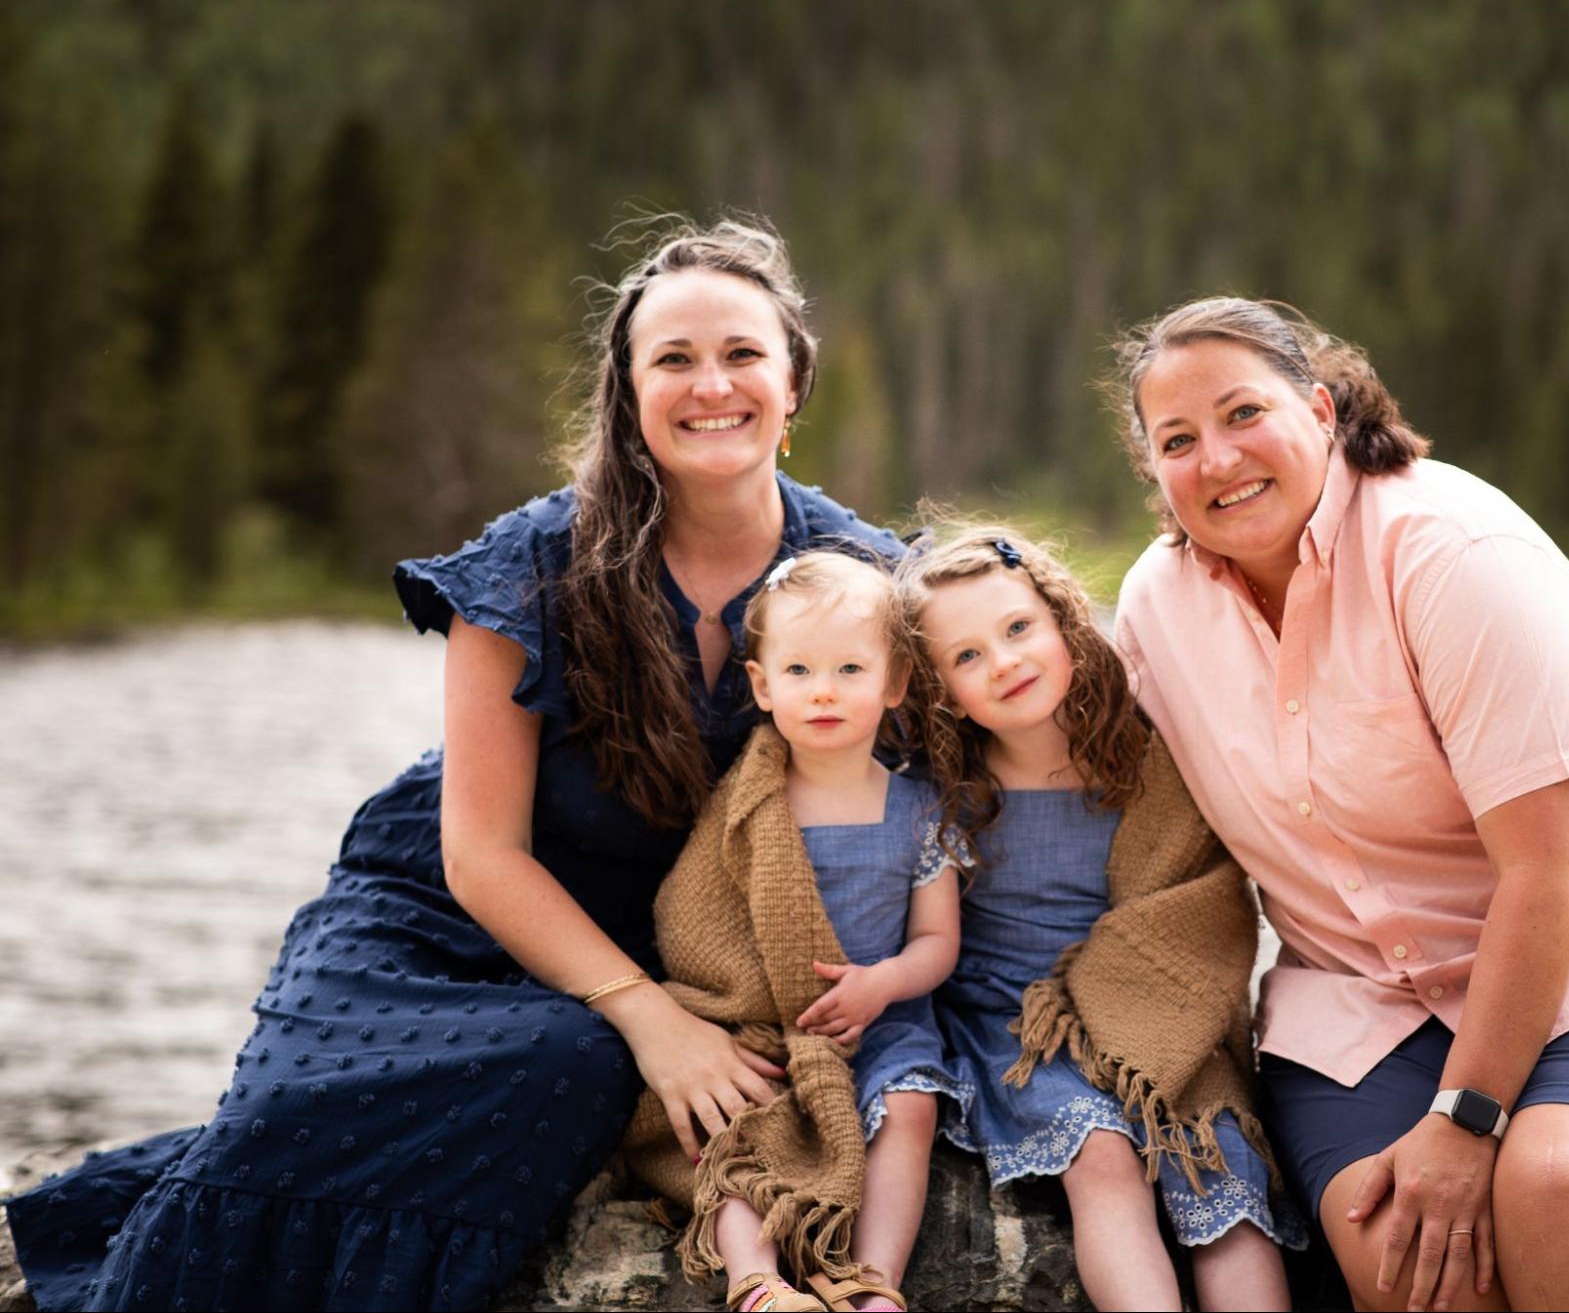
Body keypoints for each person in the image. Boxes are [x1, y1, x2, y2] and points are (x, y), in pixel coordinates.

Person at [2, 218, 901, 1312]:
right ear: (627, 395)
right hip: (436, 920)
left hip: (627, 950)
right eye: (673, 359)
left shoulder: (863, 582)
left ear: (794, 383)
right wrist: (654, 1021)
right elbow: (478, 852)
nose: (711, 384)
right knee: (299, 1121)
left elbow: (980, 737)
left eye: (742, 355)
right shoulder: (529, 563)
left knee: (567, 1063)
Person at [1108, 296, 1569, 1313]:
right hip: (1358, 1004)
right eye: (1178, 440)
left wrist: (1465, 1120)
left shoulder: (1452, 553)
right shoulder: (1157, 606)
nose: (1219, 458)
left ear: (1321, 412)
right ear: (1153, 469)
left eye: (1245, 414)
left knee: (1559, 1187)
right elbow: (1085, 792)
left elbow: (1558, 870)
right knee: (1410, 1260)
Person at [898, 525, 1306, 1313]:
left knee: (1214, 1152)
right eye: (968, 656)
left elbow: (1192, 904)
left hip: (1146, 1012)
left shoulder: (1145, 762)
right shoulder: (949, 794)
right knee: (1100, 1149)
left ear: (1062, 621)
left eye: (1018, 629)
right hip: (1017, 1027)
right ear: (941, 690)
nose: (1006, 660)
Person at [624, 551, 966, 1313]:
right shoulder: (747, 804)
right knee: (739, 1132)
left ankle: (872, 1282)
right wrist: (738, 1003)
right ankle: (756, 1283)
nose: (823, 691)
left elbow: (938, 940)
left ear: (895, 681)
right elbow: (697, 918)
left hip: (881, 1020)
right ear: (761, 684)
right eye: (800, 670)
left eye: (850, 668)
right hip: (764, 1022)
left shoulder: (919, 808)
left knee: (909, 1109)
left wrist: (885, 983)